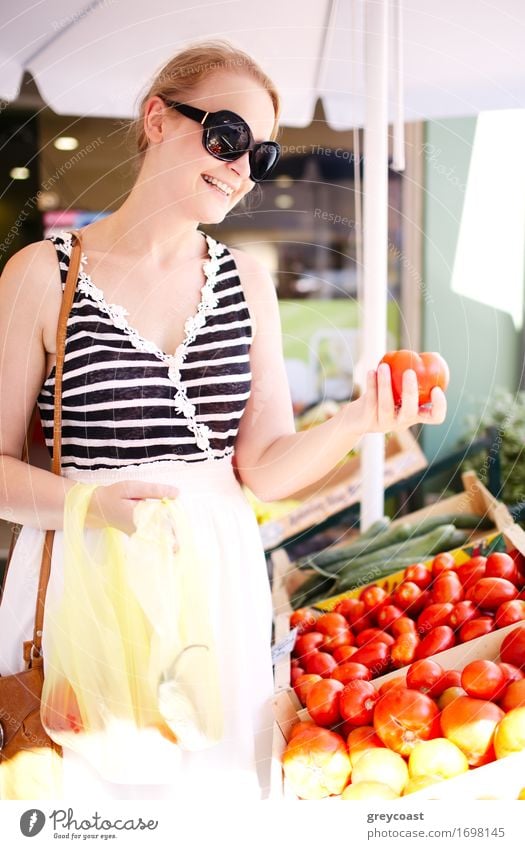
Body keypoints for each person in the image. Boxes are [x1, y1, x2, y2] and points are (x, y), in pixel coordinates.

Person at [0, 39, 446, 802]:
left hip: (218, 580)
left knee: (215, 798)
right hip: (86, 582)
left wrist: (355, 422)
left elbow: (262, 464)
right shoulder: (45, 274)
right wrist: (92, 503)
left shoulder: (245, 282)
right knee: (85, 802)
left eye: (259, 154)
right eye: (226, 136)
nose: (240, 168)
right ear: (157, 118)